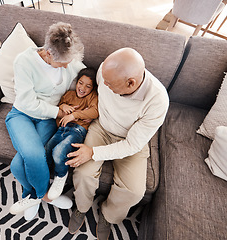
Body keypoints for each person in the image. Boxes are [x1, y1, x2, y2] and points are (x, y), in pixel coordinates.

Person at [66, 48, 169, 239]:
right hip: (101, 128)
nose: (104, 85)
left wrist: (93, 153)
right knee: (83, 172)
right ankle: (81, 207)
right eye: (104, 79)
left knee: (134, 191)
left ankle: (108, 216)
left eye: (110, 84)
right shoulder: (105, 72)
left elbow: (132, 145)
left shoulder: (158, 100)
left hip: (130, 140)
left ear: (131, 83)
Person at [5, 22, 85, 220]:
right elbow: (27, 102)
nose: (68, 66)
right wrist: (58, 111)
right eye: (63, 63)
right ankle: (44, 196)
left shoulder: (68, 59)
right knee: (33, 154)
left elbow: (88, 75)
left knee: (17, 165)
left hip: (47, 120)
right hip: (22, 114)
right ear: (48, 53)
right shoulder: (23, 62)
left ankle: (29, 195)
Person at [45, 67, 98, 201]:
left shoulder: (92, 97)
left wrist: (74, 115)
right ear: (76, 82)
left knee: (59, 151)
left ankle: (61, 176)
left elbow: (94, 112)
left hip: (77, 130)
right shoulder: (69, 94)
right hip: (61, 129)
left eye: (88, 86)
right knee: (46, 151)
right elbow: (60, 104)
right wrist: (63, 107)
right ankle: (42, 183)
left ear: (92, 88)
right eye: (80, 83)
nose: (82, 88)